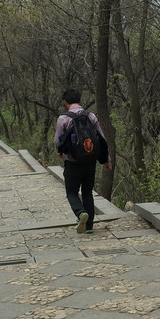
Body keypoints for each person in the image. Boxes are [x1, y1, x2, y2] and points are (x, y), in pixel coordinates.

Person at [54, 88, 112, 234]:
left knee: (72, 193)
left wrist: (61, 151)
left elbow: (57, 141)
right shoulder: (91, 116)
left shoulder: (63, 119)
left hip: (72, 162)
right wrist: (106, 160)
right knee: (87, 192)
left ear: (65, 103)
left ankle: (80, 213)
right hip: (90, 161)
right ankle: (89, 226)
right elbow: (101, 139)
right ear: (80, 101)